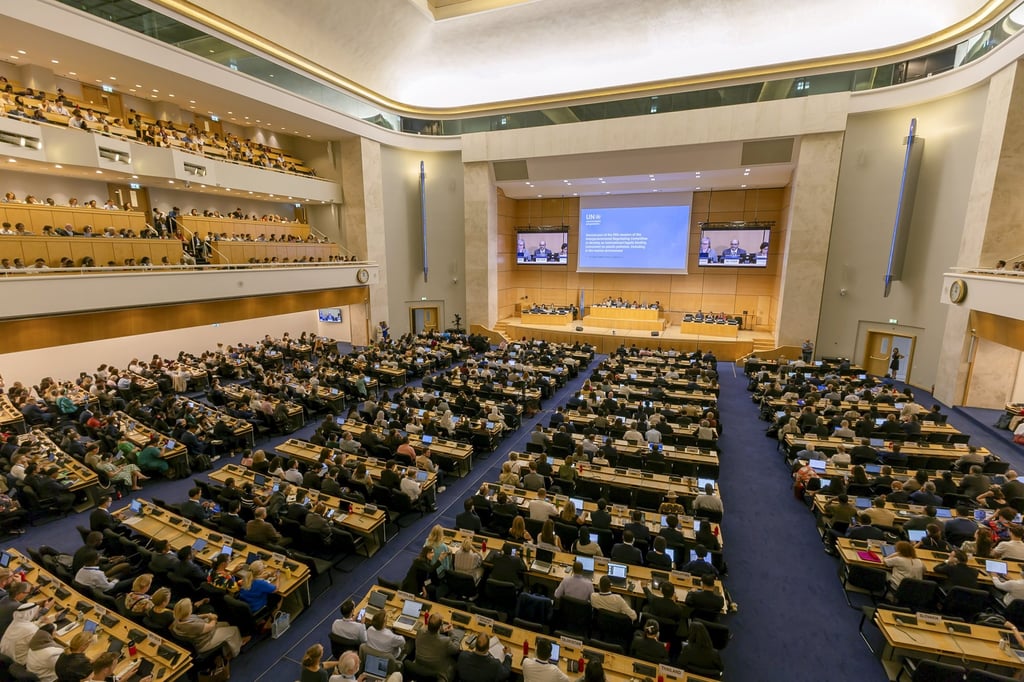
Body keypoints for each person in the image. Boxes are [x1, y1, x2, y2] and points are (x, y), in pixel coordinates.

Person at [170, 597, 246, 658]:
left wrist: (207, 615)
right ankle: (236, 650)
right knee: (234, 630)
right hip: (205, 642)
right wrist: (213, 618)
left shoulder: (178, 619)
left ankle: (227, 650)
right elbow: (211, 626)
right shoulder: (191, 626)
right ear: (187, 611)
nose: (192, 605)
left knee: (226, 624)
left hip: (200, 635)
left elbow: (196, 616)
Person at [415, 613, 461, 681]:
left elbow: (429, 632)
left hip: (420, 665)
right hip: (438, 671)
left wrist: (440, 631)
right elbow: (456, 649)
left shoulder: (420, 632)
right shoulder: (445, 641)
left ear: (427, 623)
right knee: (456, 661)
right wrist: (452, 632)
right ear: (440, 627)